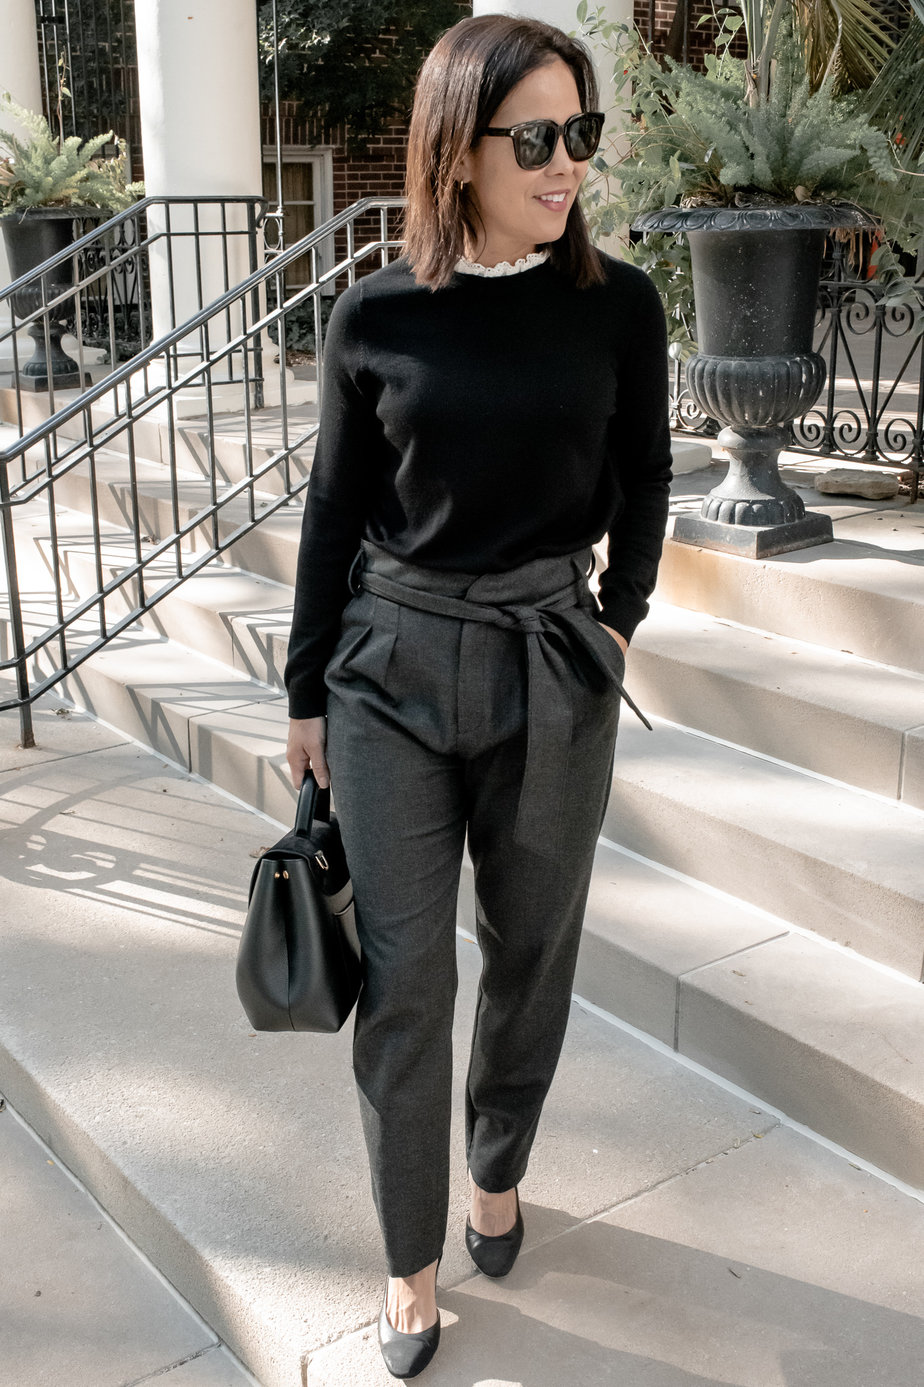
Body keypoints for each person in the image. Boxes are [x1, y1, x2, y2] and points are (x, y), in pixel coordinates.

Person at [284, 13, 672, 1378]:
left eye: (584, 132)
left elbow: (648, 472)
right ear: (459, 150)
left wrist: (616, 622)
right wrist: (304, 692)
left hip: (552, 661)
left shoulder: (621, 304)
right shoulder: (376, 314)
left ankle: (497, 1164)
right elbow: (336, 507)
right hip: (388, 668)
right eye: (538, 138)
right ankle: (409, 1260)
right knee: (405, 983)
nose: (569, 162)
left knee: (531, 952)